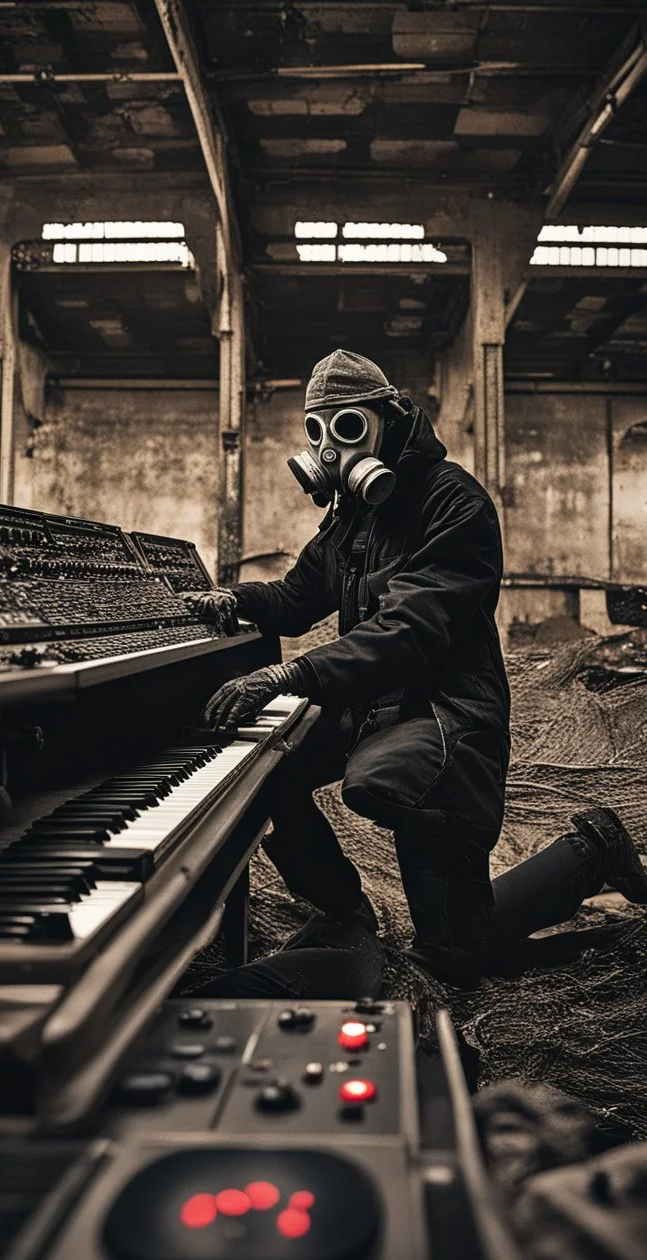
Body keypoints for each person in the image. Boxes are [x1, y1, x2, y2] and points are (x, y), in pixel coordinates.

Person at [184, 349, 647, 988]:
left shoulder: (455, 503)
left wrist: (289, 676)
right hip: (369, 711)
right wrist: (234, 597)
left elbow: (409, 630)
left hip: (446, 720)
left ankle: (594, 848)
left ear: (392, 419)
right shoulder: (351, 516)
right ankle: (344, 912)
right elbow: (296, 599)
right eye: (317, 431)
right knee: (265, 770)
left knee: (454, 951)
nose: (330, 448)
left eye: (348, 427)